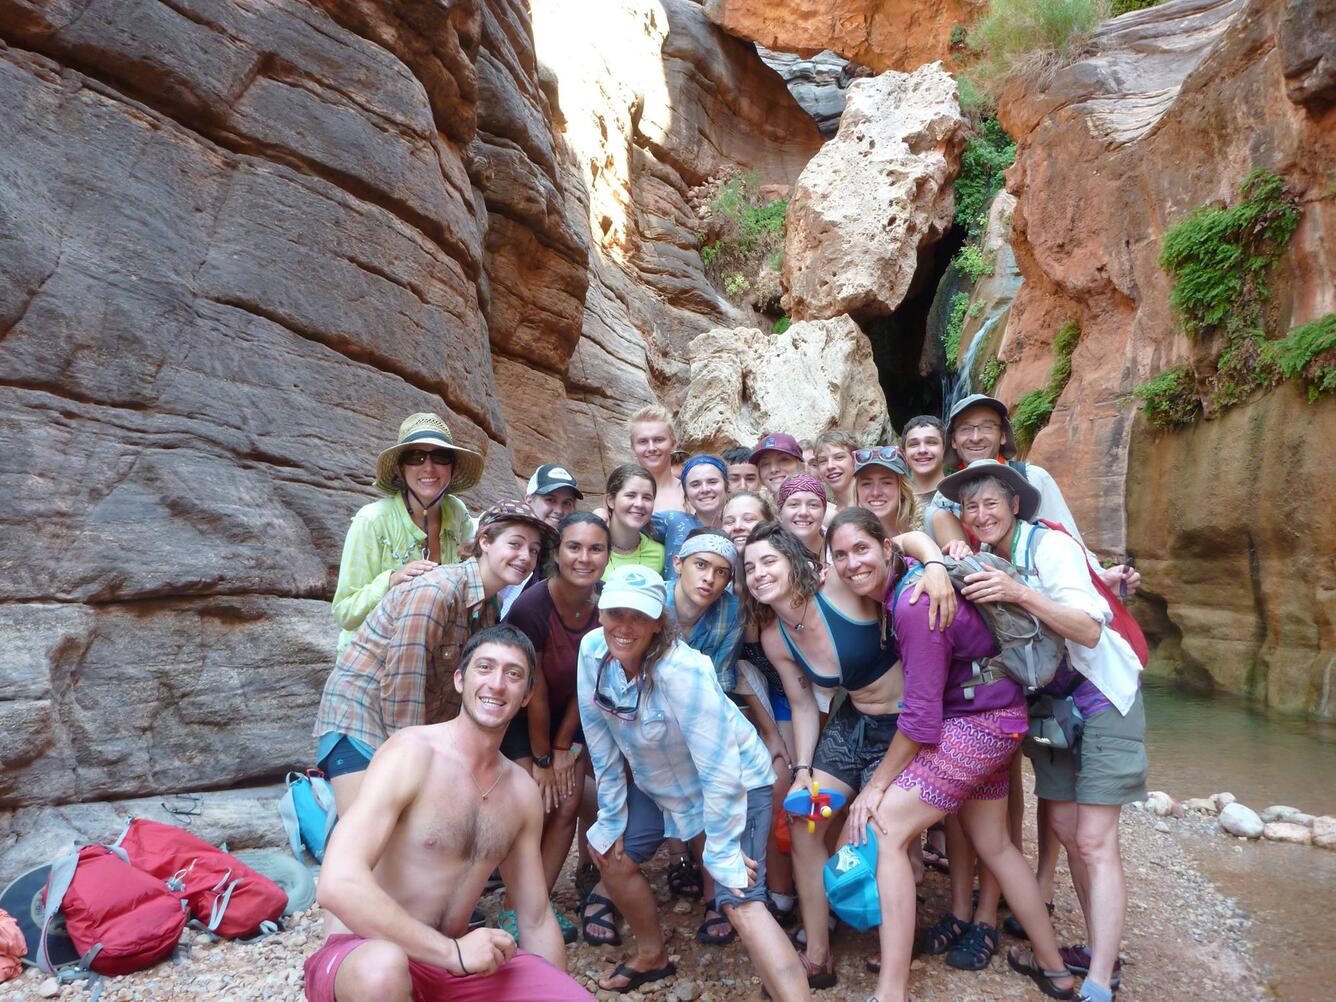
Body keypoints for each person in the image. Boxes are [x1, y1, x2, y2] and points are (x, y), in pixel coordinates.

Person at [825, 507, 1077, 1002]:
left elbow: (919, 722)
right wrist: (930, 556)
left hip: (975, 724)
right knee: (994, 843)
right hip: (998, 718)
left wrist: (875, 787)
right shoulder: (910, 579)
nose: (852, 563)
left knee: (884, 829)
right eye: (840, 555)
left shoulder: (914, 604)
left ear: (884, 549)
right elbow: (909, 537)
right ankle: (1056, 971)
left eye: (861, 549)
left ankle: (891, 992)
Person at [939, 459, 1148, 1002]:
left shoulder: (1048, 548)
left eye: (991, 502)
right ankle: (1105, 949)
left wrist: (1019, 591)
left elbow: (1088, 631)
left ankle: (1100, 981)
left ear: (1014, 504)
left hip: (1102, 696)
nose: (981, 514)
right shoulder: (985, 556)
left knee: (1096, 840)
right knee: (1064, 828)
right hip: (1050, 708)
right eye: (971, 506)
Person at [307, 625, 593, 1002]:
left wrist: (555, 989)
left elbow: (536, 918)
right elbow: (337, 883)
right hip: (363, 950)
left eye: (513, 674)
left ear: (527, 695)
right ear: (460, 679)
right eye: (485, 668)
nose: (497, 684)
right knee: (383, 969)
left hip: (452, 964)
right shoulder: (412, 753)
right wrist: (453, 953)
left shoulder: (520, 792)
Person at [740, 523, 956, 989]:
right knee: (803, 819)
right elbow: (801, 704)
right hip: (852, 726)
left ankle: (891, 939)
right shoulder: (777, 636)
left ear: (793, 560)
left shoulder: (836, 582)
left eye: (769, 561)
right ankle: (817, 953)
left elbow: (904, 541)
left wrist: (935, 564)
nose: (759, 573)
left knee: (872, 829)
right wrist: (801, 771)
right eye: (750, 566)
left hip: (903, 730)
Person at [578, 567, 810, 1000]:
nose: (624, 627)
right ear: (600, 613)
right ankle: (652, 955)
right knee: (612, 853)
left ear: (657, 623)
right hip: (662, 783)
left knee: (740, 899)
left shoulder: (683, 671)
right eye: (615, 613)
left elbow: (720, 768)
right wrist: (609, 818)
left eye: (638, 617)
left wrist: (721, 852)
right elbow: (601, 741)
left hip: (736, 783)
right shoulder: (592, 652)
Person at [314, 501, 556, 815]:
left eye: (534, 550)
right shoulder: (437, 590)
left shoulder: (488, 608)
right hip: (360, 720)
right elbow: (404, 683)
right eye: (515, 544)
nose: (525, 557)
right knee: (366, 835)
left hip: (406, 731)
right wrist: (417, 766)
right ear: (484, 540)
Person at [499, 513, 610, 941]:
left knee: (565, 805)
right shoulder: (532, 605)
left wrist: (566, 747)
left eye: (595, 548)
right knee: (533, 803)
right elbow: (537, 691)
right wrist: (545, 757)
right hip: (525, 718)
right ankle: (513, 904)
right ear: (558, 553)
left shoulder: (605, 608)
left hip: (577, 717)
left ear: (607, 555)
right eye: (574, 547)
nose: (584, 557)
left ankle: (536, 906)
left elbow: (590, 683)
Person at [935, 395, 1139, 594]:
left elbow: (1066, 534)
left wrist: (1098, 577)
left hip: (1039, 591)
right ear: (953, 440)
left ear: (1003, 435)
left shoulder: (1031, 478)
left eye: (987, 427)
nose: (976, 437)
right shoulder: (944, 498)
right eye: (966, 429)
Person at [332, 413, 482, 652]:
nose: (428, 467)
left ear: (453, 469)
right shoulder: (372, 521)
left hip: (432, 658)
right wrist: (390, 582)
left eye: (441, 457)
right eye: (416, 457)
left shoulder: (456, 513)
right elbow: (345, 613)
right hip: (370, 658)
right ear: (401, 469)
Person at [498, 464, 585, 617]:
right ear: (529, 499)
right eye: (550, 500)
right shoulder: (503, 539)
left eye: (567, 503)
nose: (558, 511)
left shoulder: (570, 553)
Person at [653, 455, 728, 581]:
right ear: (686, 493)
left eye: (712, 482)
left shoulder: (738, 529)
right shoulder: (673, 521)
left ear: (726, 485)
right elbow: (630, 521)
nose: (705, 489)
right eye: (695, 484)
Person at [602, 463, 665, 578]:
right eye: (630, 495)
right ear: (611, 501)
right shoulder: (592, 548)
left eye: (647, 498)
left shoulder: (660, 554)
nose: (639, 504)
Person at [853, 446, 929, 539]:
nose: (876, 492)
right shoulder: (849, 535)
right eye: (866, 484)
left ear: (901, 488)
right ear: (857, 491)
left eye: (886, 483)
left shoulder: (930, 522)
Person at [628, 405, 686, 512]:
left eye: (658, 440)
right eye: (643, 441)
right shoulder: (622, 496)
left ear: (673, 444)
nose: (651, 448)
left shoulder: (690, 492)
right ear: (633, 449)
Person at [775, 474, 828, 559]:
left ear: (824, 511)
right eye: (794, 504)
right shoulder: (769, 551)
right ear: (780, 511)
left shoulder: (839, 544)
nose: (803, 512)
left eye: (813, 505)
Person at [813, 428, 859, 513]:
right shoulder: (826, 516)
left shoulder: (873, 505)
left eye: (839, 457)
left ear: (855, 460)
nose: (830, 466)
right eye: (823, 461)